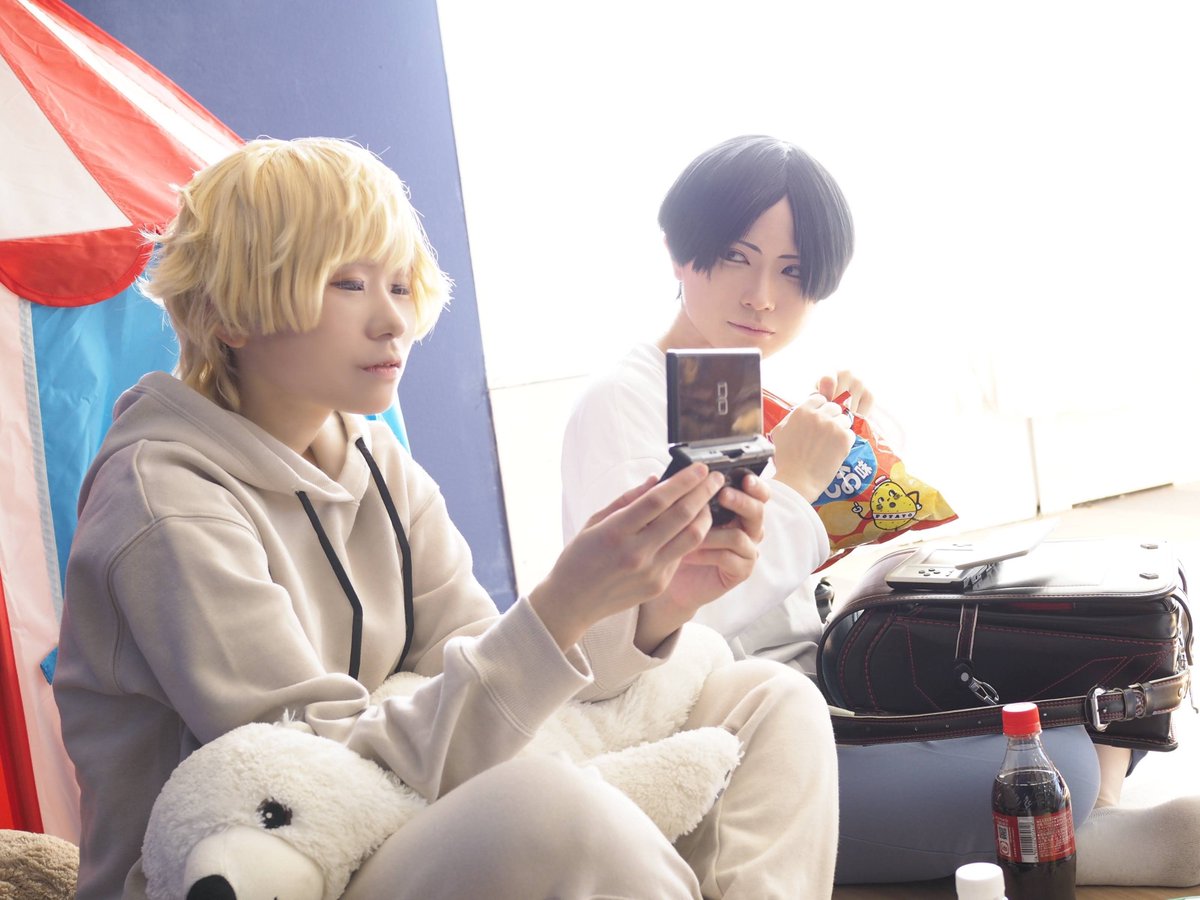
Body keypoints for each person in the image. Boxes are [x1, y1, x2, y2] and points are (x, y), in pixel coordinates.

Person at [51, 137, 839, 900]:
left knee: (770, 702)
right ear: (231, 313)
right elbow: (302, 774)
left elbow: (482, 673)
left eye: (400, 285)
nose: (392, 320)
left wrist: (655, 603)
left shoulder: (375, 459)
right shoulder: (162, 498)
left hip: (395, 814)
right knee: (546, 809)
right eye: (348, 284)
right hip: (272, 860)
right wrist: (560, 604)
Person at [561, 134, 1200, 887]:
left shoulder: (723, 384)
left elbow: (780, 584)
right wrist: (796, 486)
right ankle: (1079, 835)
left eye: (793, 270)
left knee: (1102, 663)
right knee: (1063, 756)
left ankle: (1062, 825)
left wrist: (845, 456)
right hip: (733, 732)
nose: (763, 295)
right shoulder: (625, 402)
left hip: (821, 687)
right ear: (679, 250)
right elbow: (653, 627)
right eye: (736, 256)